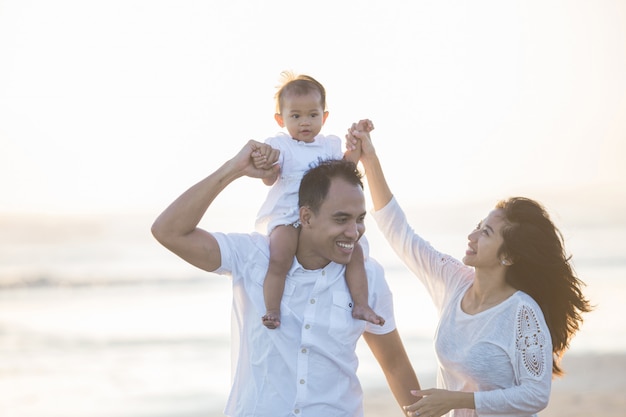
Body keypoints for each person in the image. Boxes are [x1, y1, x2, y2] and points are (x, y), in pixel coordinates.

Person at [151, 141, 421, 416]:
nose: (354, 232)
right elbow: (168, 231)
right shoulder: (254, 257)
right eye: (341, 220)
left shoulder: (369, 276)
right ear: (306, 216)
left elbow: (394, 364)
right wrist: (233, 169)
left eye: (360, 219)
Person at [346, 121, 592, 417]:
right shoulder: (453, 281)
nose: (471, 236)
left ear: (509, 257)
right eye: (478, 226)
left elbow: (535, 395)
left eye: (486, 233)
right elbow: (400, 232)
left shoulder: (522, 313)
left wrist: (457, 400)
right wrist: (369, 159)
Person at [252, 71, 382, 329]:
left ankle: (361, 304)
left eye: (312, 115)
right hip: (289, 217)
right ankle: (273, 309)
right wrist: (264, 163)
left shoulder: (329, 146)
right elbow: (268, 178)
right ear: (281, 119)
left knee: (355, 251)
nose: (305, 122)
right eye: (295, 116)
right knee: (280, 255)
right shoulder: (281, 146)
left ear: (324, 117)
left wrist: (358, 139)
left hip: (322, 219)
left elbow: (346, 169)